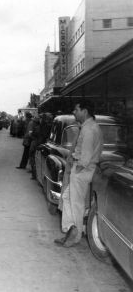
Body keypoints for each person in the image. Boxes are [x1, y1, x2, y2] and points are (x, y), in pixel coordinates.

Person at [55, 99, 103, 247]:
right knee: (67, 197)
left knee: (76, 203)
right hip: (85, 169)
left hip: (82, 169)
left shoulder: (88, 129)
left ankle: (74, 236)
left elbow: (86, 156)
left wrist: (78, 168)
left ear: (85, 111)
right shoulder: (91, 127)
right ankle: (72, 229)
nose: (74, 113)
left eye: (76, 110)